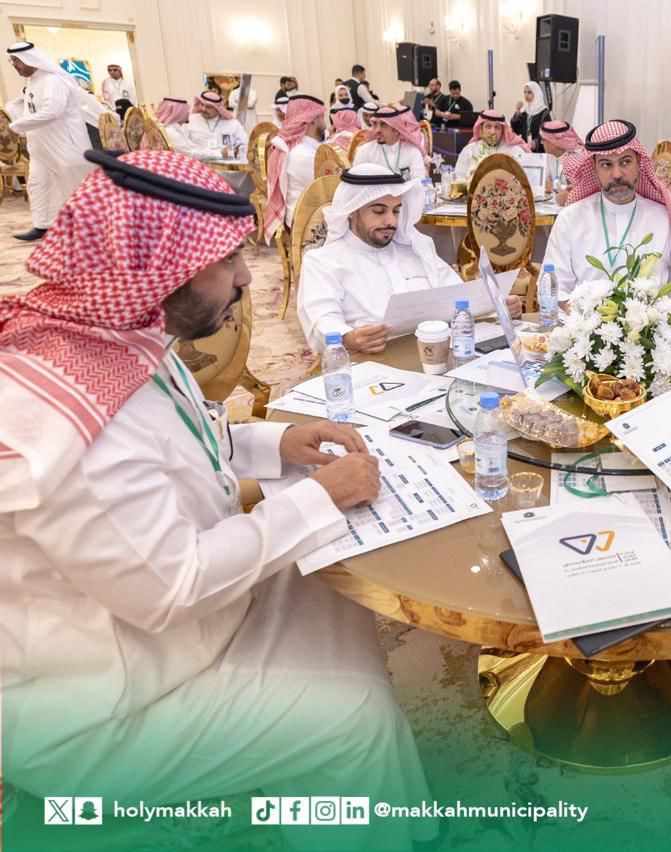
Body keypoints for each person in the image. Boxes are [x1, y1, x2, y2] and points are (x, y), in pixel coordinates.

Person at [0, 149, 437, 850]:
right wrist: (318, 498)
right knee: (355, 716)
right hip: (105, 704)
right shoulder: (70, 424)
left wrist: (280, 442)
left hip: (162, 628)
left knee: (332, 575)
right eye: (226, 258)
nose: (245, 278)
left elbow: (185, 439)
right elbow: (171, 588)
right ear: (157, 266)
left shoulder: (121, 334)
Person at [297, 164, 522, 353]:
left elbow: (456, 295)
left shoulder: (418, 246)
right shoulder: (323, 261)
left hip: (438, 353)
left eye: (396, 210)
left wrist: (496, 307)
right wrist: (349, 338)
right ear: (352, 211)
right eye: (379, 211)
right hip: (370, 361)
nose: (391, 221)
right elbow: (322, 319)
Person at [545, 119, 671, 296]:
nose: (617, 174)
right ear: (594, 168)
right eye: (606, 164)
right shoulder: (570, 219)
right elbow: (553, 290)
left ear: (639, 163)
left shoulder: (665, 220)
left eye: (625, 162)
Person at [5, 42, 95, 241]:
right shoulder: (32, 82)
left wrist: (17, 126)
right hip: (40, 148)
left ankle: (93, 227)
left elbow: (52, 111)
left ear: (30, 58)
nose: (15, 65)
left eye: (17, 61)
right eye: (12, 61)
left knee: (75, 186)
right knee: (38, 185)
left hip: (64, 145)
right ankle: (43, 225)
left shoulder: (52, 81)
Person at [263, 94, 326, 239]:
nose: (325, 123)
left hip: (310, 217)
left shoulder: (303, 149)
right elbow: (328, 191)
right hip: (310, 226)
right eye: (322, 116)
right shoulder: (302, 155)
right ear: (313, 119)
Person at [352, 105, 427, 182]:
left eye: (383, 125)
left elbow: (419, 182)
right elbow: (356, 183)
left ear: (396, 130)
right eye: (375, 124)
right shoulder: (364, 151)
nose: (377, 130)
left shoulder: (412, 152)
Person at [454, 109, 528, 179]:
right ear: (481, 129)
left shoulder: (514, 151)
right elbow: (459, 177)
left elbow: (524, 179)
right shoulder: (469, 150)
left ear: (502, 131)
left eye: (497, 127)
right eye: (488, 126)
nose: (492, 132)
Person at [185, 90, 248, 159]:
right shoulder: (191, 120)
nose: (203, 109)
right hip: (198, 162)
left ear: (218, 109)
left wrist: (237, 150)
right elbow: (184, 146)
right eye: (202, 105)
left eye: (208, 107)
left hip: (226, 164)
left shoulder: (232, 123)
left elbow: (244, 144)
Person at [539, 119, 583, 205]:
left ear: (553, 143)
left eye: (543, 140)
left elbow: (579, 189)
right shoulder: (549, 155)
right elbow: (546, 182)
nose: (541, 142)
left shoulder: (577, 156)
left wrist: (554, 187)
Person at [510, 81, 549, 153]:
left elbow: (546, 132)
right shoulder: (525, 110)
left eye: (529, 92)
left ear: (536, 93)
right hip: (526, 150)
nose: (526, 95)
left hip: (539, 151)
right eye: (525, 92)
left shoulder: (544, 112)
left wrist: (535, 143)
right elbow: (516, 130)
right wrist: (518, 111)